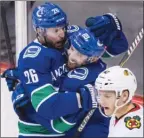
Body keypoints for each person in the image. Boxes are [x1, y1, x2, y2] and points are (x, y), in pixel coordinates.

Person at [2, 2, 129, 138]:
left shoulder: (71, 34)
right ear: (40, 31)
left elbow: (115, 48)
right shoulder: (32, 58)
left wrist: (112, 28)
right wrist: (85, 97)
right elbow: (48, 106)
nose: (62, 34)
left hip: (70, 124)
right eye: (56, 30)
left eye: (63, 27)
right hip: (39, 131)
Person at [95, 66, 143, 137]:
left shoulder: (133, 132)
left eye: (107, 96)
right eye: (99, 94)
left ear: (124, 96)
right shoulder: (118, 112)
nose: (101, 101)